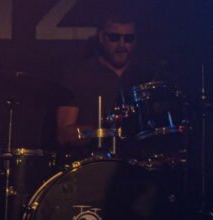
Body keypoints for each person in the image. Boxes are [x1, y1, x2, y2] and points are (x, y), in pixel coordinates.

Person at [56, 10, 154, 149]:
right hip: (93, 158)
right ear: (101, 37)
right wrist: (106, 130)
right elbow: (64, 134)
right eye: (114, 37)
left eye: (128, 38)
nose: (122, 45)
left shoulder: (147, 75)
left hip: (141, 158)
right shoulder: (77, 74)